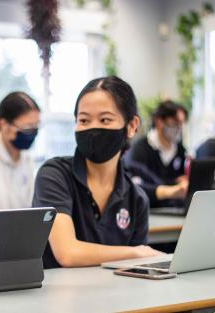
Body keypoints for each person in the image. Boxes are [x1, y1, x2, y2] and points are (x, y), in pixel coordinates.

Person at [32, 76, 163, 269]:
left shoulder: (137, 199)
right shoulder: (54, 175)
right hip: (56, 297)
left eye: (105, 119)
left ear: (132, 126)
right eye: (84, 120)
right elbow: (67, 253)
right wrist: (136, 252)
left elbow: (137, 273)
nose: (93, 128)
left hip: (115, 297)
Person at [124, 100, 189, 207]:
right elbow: (137, 186)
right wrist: (172, 187)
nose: (178, 129)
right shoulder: (140, 149)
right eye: (175, 123)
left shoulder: (180, 150)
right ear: (159, 121)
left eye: (181, 124)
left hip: (174, 208)